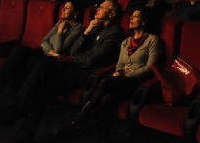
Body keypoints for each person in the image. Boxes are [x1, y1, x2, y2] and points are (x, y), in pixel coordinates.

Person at [0, 0, 126, 143]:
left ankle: (14, 113)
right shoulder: (95, 27)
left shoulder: (115, 33)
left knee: (42, 75)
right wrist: (87, 32)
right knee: (40, 86)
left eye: (102, 7)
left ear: (112, 14)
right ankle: (23, 134)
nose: (97, 9)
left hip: (86, 74)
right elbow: (74, 49)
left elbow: (91, 59)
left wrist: (75, 56)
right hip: (73, 66)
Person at [55, 8, 162, 141]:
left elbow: (151, 67)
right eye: (131, 16)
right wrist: (118, 71)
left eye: (136, 16)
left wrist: (129, 74)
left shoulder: (152, 40)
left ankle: (79, 122)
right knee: (108, 99)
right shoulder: (126, 42)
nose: (131, 18)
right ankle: (101, 136)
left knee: (106, 82)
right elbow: (120, 64)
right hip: (121, 80)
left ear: (144, 22)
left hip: (138, 82)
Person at [0, 2, 84, 96]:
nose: (63, 9)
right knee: (19, 50)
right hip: (46, 52)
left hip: (54, 60)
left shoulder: (77, 28)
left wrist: (60, 32)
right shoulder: (60, 23)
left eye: (67, 8)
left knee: (27, 62)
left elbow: (60, 48)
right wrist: (51, 51)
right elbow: (44, 41)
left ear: (76, 13)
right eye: (63, 7)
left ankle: (8, 90)